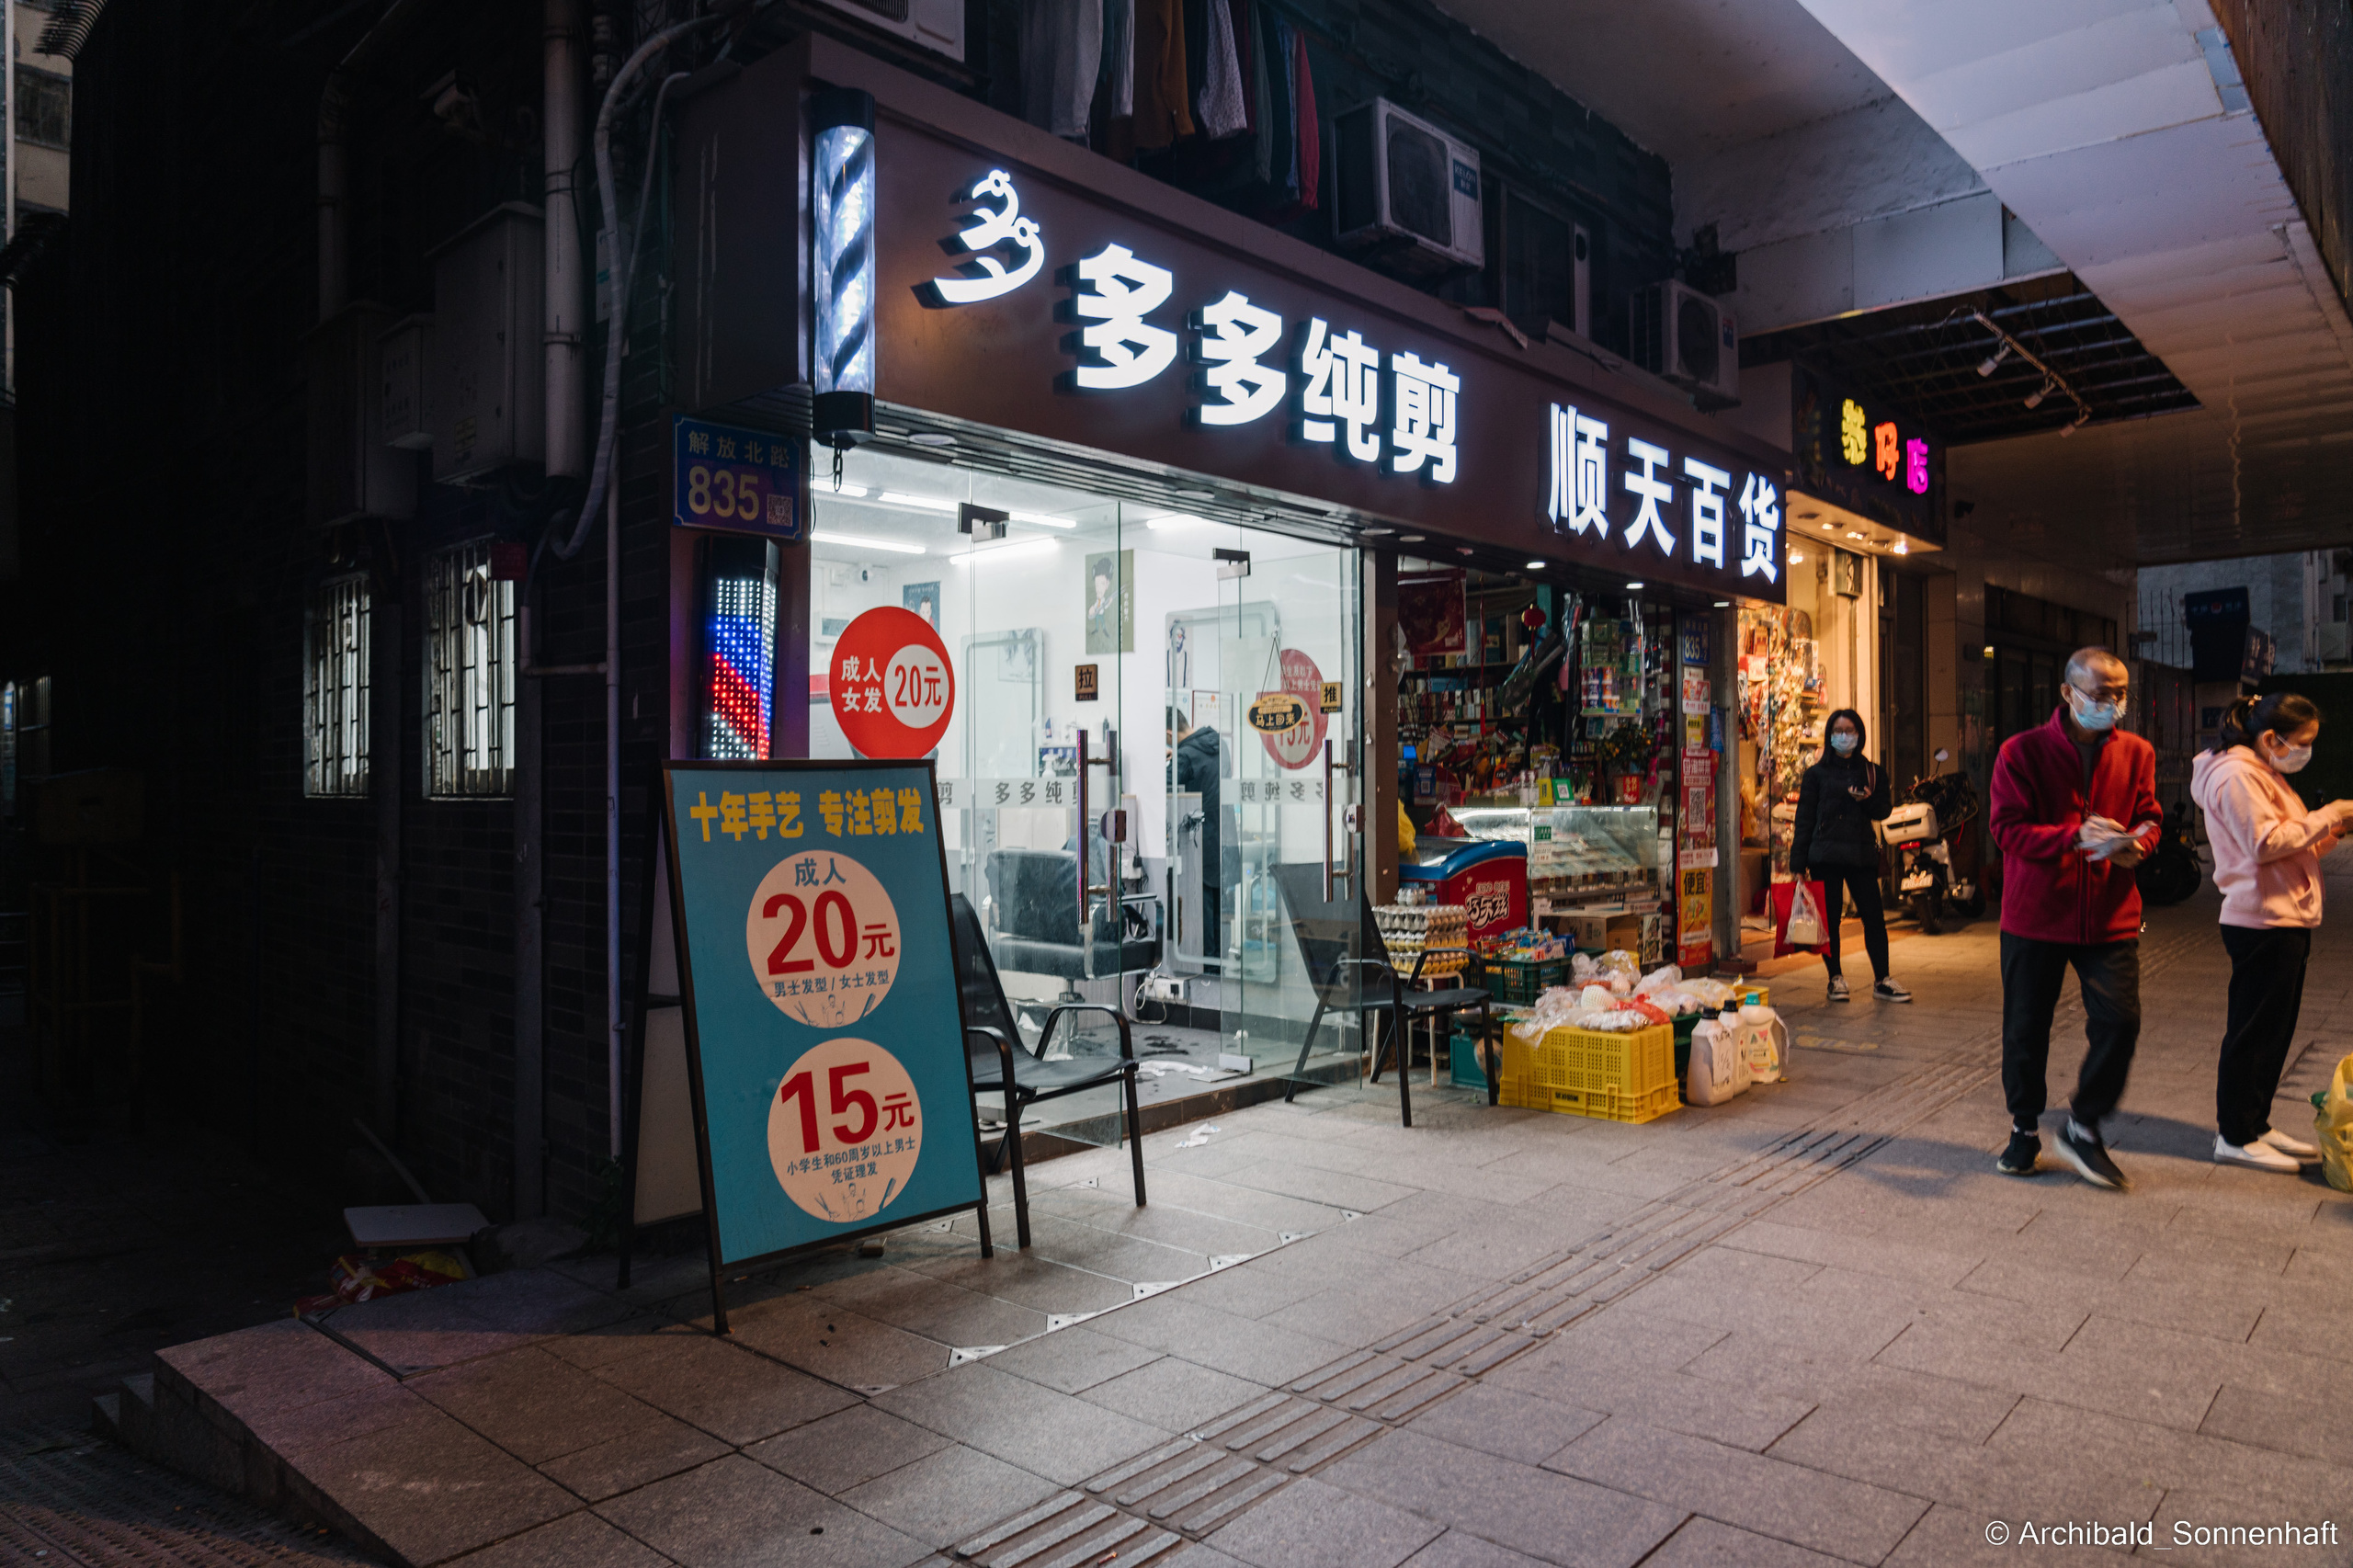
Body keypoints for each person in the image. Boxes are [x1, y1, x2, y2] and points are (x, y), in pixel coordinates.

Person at [1988, 647, 2161, 1189]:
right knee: (2025, 1028)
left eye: (2121, 694)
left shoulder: (2137, 752)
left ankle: (2083, 1124)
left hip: (2109, 915)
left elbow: (2149, 816)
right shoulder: (2022, 752)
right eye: (2100, 693)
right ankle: (2024, 1129)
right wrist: (2074, 836)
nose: (2112, 704)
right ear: (2068, 693)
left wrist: (2139, 844)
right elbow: (2007, 829)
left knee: (2120, 1021)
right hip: (2035, 916)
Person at [2188, 692, 2353, 1171]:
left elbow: (2286, 845)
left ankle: (2255, 1123)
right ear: (2269, 738)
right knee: (2254, 1033)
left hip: (2283, 915)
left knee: (2274, 1032)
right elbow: (2263, 844)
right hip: (2261, 920)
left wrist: (2329, 834)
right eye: (2302, 742)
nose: (2306, 751)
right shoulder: (2237, 775)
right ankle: (2235, 1134)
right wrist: (2330, 813)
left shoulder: (2261, 772)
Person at [1790, 709, 1912, 1003]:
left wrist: (1866, 800)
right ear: (1830, 735)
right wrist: (1798, 864)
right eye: (1838, 731)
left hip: (1861, 855)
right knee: (1830, 921)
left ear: (1859, 735)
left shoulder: (1872, 771)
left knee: (1874, 918)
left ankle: (1882, 979)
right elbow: (1804, 819)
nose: (1844, 737)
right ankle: (1836, 979)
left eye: (1850, 731)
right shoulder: (1815, 774)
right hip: (1825, 857)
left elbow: (1883, 811)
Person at [1168, 707, 1224, 954]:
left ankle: (1206, 975)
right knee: (1218, 924)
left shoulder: (1185, 757)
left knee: (1203, 930)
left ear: (1169, 734)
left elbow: (1161, 788)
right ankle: (1216, 974)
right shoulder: (1220, 745)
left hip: (1198, 850)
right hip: (1222, 846)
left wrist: (1170, 760)